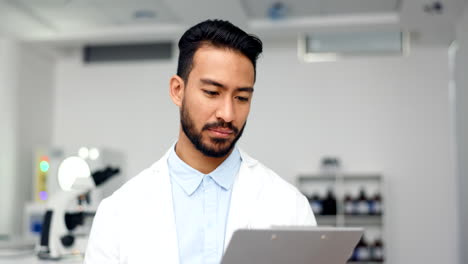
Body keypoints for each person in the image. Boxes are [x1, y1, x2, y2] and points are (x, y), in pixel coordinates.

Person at [84, 19, 316, 264]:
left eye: (241, 97)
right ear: (177, 90)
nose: (227, 114)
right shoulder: (118, 212)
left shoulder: (290, 207)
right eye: (212, 93)